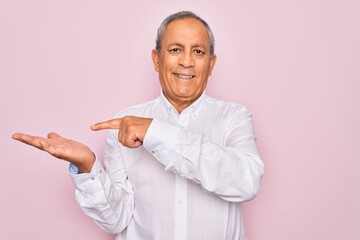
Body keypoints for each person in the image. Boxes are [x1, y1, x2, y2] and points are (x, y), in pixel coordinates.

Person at [12, 11, 264, 240]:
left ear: (211, 64)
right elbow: (116, 219)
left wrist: (156, 132)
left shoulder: (234, 117)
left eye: (198, 51)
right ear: (157, 59)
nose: (187, 61)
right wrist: (87, 165)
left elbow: (245, 182)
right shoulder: (124, 124)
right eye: (176, 49)